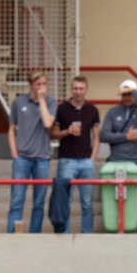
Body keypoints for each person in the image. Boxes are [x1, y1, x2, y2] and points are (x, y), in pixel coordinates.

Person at [100, 78, 137, 232]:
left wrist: (135, 91)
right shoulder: (113, 112)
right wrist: (126, 136)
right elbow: (104, 135)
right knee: (114, 199)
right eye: (124, 94)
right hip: (116, 161)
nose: (127, 97)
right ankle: (114, 230)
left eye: (129, 94)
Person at [50, 74, 101, 234]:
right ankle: (65, 234)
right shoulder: (62, 109)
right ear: (71, 89)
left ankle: (87, 235)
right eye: (75, 88)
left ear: (86, 90)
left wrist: (93, 158)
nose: (78, 92)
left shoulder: (92, 110)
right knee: (65, 201)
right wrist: (67, 131)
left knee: (87, 203)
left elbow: (96, 136)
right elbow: (53, 133)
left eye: (81, 89)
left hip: (86, 160)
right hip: (67, 160)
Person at [6, 71, 55, 234]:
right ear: (31, 85)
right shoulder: (19, 102)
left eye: (44, 84)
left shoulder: (51, 102)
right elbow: (11, 128)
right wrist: (14, 152)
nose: (41, 87)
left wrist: (41, 100)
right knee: (17, 201)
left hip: (42, 158)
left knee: (39, 203)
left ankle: (35, 235)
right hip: (22, 158)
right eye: (38, 84)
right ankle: (12, 235)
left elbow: (48, 123)